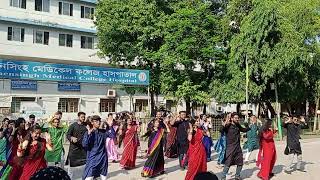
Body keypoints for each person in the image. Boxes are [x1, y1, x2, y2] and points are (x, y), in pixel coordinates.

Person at [82, 115, 116, 180]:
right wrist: (89, 134)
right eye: (96, 121)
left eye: (99, 121)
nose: (98, 122)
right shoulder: (88, 132)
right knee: (89, 177)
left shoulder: (103, 132)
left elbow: (112, 135)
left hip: (102, 159)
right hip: (92, 159)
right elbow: (84, 145)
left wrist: (110, 126)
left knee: (103, 177)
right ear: (92, 122)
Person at [221, 113, 250, 180]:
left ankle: (237, 176)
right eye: (235, 118)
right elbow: (221, 130)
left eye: (238, 118)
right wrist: (225, 122)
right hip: (230, 147)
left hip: (237, 147)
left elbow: (243, 130)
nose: (237, 119)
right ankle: (223, 177)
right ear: (232, 118)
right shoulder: (228, 125)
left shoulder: (237, 125)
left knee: (240, 162)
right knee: (228, 163)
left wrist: (248, 126)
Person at [66, 112, 87, 178]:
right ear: (78, 117)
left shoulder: (86, 126)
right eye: (82, 117)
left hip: (82, 150)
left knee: (83, 166)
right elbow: (68, 134)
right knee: (71, 167)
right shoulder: (73, 125)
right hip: (73, 149)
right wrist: (71, 138)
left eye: (84, 117)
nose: (83, 118)